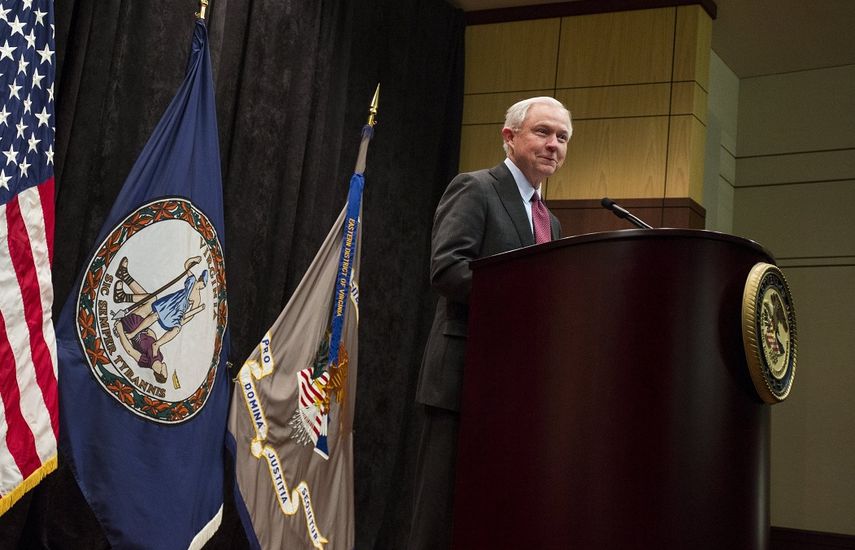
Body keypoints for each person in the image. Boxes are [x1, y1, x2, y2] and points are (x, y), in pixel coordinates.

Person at [408, 96, 572, 549]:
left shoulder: (550, 222)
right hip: (461, 379)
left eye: (562, 137)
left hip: (513, 388)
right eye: (542, 132)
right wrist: (527, 301)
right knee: (439, 516)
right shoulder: (477, 188)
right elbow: (447, 269)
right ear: (510, 136)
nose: (553, 145)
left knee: (491, 511)